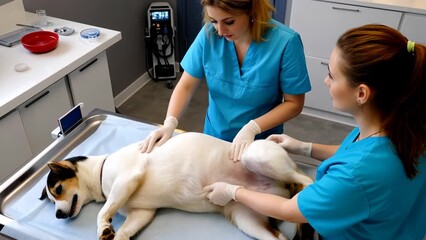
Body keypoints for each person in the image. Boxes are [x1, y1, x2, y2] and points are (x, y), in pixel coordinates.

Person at [203, 24, 426, 239]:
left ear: (362, 94)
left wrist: (234, 192)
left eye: (332, 75)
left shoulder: (356, 175)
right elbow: (355, 153)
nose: (326, 81)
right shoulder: (406, 127)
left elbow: (289, 209)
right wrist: (305, 148)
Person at [140, 0, 311, 161]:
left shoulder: (286, 42)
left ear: (252, 11)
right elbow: (186, 85)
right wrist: (170, 122)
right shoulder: (209, 34)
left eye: (229, 22)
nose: (220, 31)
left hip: (260, 142)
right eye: (214, 20)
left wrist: (253, 127)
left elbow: (293, 103)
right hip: (214, 136)